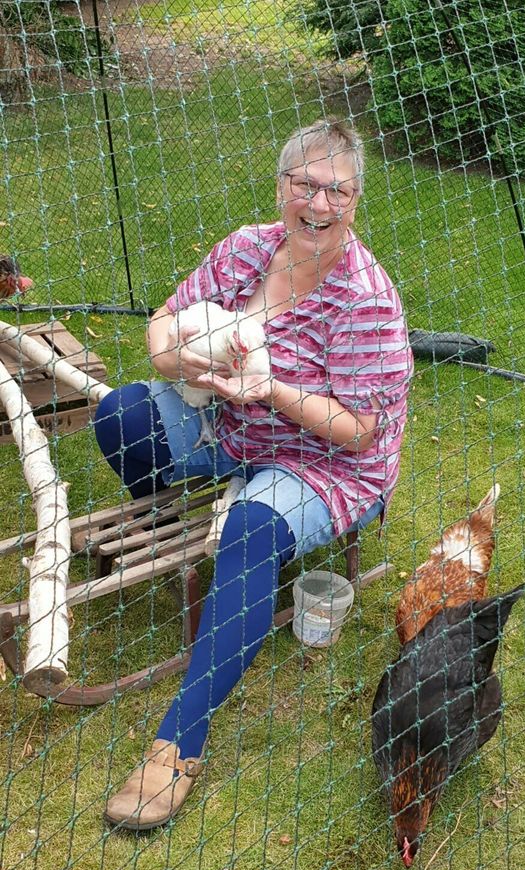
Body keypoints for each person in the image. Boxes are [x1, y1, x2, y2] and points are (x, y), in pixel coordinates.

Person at [95, 117, 414, 830]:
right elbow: (163, 322)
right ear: (281, 187)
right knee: (120, 415)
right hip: (231, 423)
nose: (319, 204)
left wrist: (268, 390)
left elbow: (358, 431)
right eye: (306, 184)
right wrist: (184, 364)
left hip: (329, 460)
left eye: (338, 190)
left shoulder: (365, 299)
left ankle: (179, 743)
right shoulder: (245, 249)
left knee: (250, 529)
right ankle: (164, 509)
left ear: (356, 201)